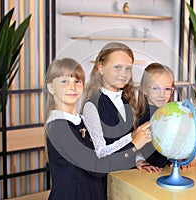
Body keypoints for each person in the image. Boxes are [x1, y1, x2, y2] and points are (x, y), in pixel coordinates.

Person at [44, 58, 152, 200]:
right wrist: (134, 146)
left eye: (77, 81)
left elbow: (101, 154)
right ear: (51, 87)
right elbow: (96, 168)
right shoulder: (59, 127)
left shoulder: (80, 120)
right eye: (64, 81)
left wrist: (131, 137)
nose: (72, 87)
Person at [135, 63, 175, 169]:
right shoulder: (136, 116)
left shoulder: (174, 116)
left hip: (168, 170)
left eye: (167, 89)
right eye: (156, 88)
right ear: (144, 89)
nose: (162, 94)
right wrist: (138, 160)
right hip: (145, 174)